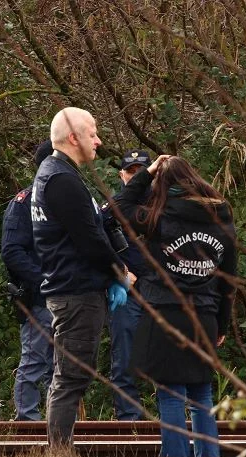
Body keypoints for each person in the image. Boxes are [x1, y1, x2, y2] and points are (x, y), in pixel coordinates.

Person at [117, 155, 236, 457]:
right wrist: (222, 323)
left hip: (167, 313)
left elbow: (120, 207)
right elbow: (229, 281)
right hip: (206, 315)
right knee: (201, 394)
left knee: (170, 393)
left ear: (163, 184)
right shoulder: (222, 218)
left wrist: (146, 173)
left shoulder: (159, 217)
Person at [30, 107, 129, 446]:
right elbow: (90, 238)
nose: (98, 141)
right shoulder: (61, 178)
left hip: (74, 288)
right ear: (74, 138)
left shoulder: (58, 173)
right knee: (71, 377)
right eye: (92, 133)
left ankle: (60, 451)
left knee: (71, 376)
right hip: (76, 291)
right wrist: (119, 272)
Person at [1, 140, 55, 421]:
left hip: (66, 297)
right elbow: (11, 251)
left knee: (60, 368)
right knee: (34, 362)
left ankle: (57, 424)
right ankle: (27, 421)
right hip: (37, 299)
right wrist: (43, 280)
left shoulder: (65, 200)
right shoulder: (23, 203)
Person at [102, 150, 152, 421]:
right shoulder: (112, 209)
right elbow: (92, 244)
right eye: (131, 172)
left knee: (170, 360)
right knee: (124, 360)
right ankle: (129, 421)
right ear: (122, 175)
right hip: (128, 293)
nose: (136, 176)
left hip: (161, 294)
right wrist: (118, 273)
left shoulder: (167, 205)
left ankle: (173, 419)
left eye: (141, 171)